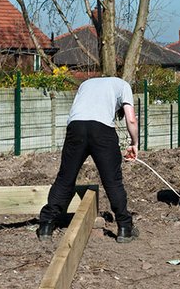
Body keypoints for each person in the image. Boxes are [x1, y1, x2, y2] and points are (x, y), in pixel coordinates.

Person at [37, 76, 139, 243]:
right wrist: (134, 143)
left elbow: (80, 110)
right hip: (103, 131)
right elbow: (131, 119)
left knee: (65, 179)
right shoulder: (124, 85)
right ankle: (124, 229)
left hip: (76, 127)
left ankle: (46, 226)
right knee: (113, 181)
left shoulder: (85, 83)